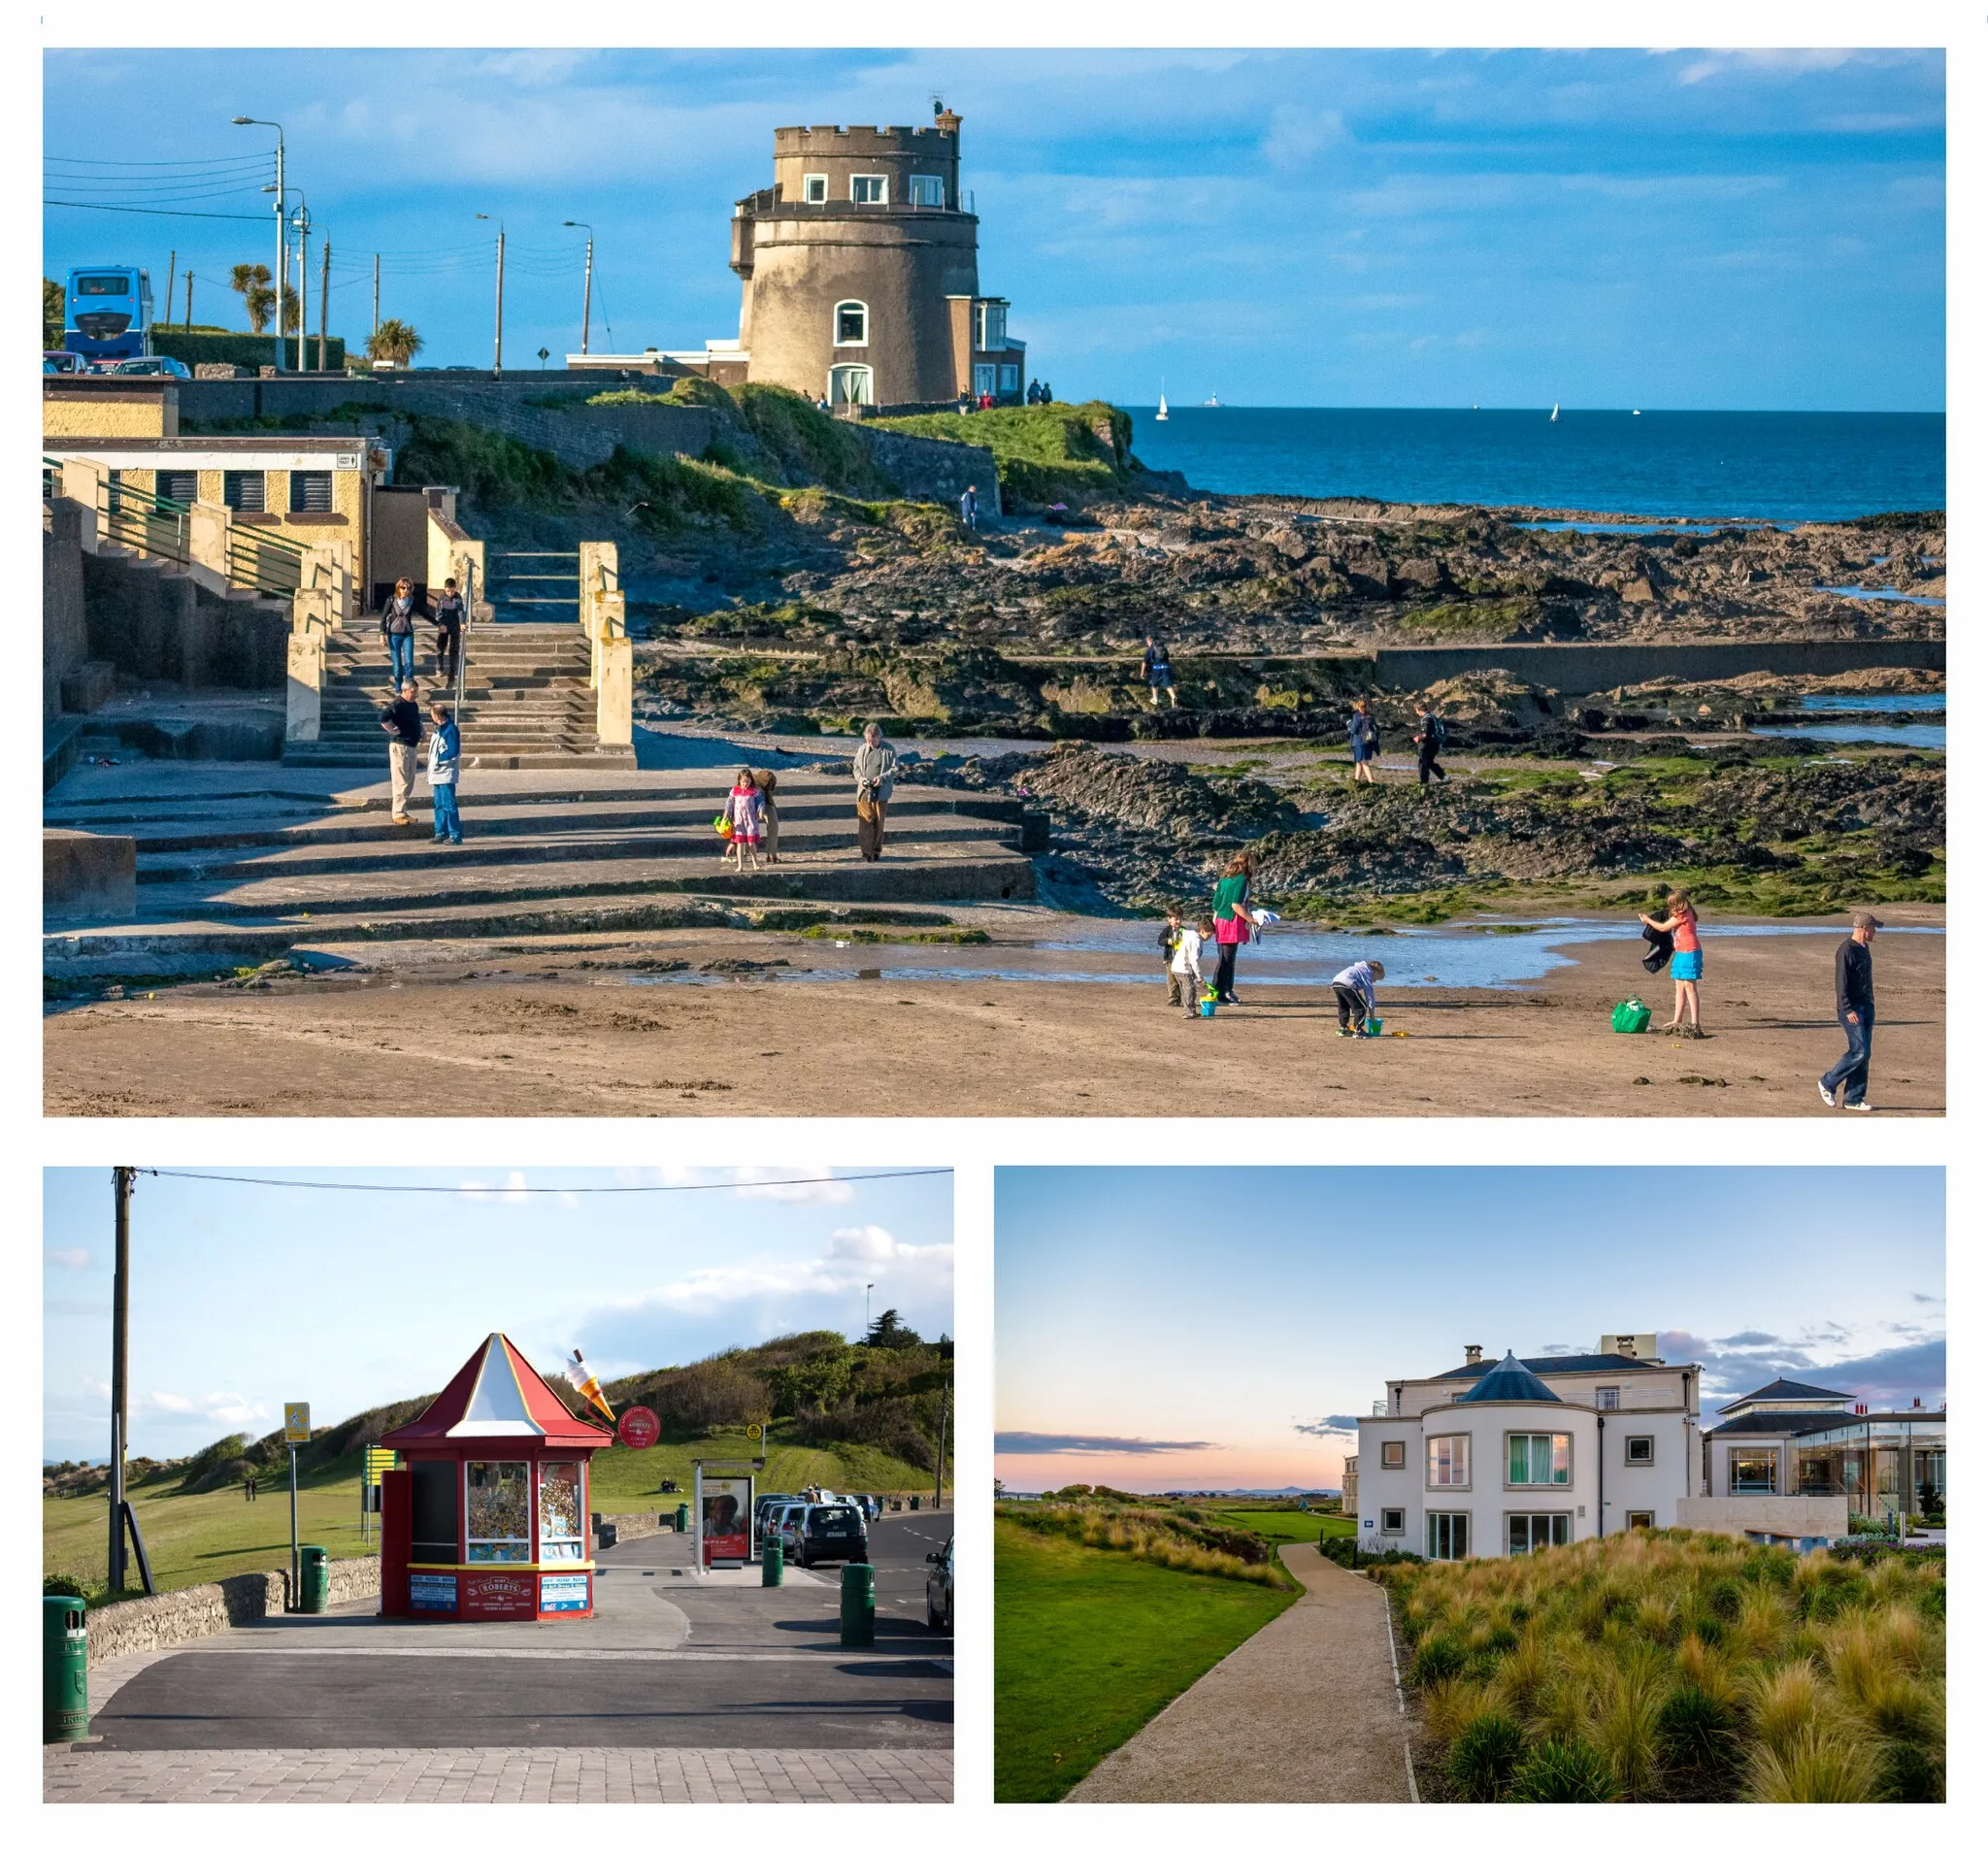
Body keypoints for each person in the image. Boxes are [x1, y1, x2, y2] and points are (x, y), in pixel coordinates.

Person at [1821, 911, 1882, 1111]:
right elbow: (1841, 983)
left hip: (1867, 1006)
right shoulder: (1846, 950)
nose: (1875, 932)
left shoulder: (1864, 948)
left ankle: (1854, 1098)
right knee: (1859, 1051)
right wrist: (1847, 1008)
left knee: (1865, 1054)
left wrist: (1870, 1004)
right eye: (1873, 928)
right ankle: (1828, 1082)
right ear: (1864, 929)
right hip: (1851, 1010)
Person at [1640, 888, 1703, 1036]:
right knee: (1679, 987)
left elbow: (1663, 927)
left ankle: (1695, 1022)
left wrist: (1647, 920)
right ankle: (1677, 1019)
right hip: (1681, 953)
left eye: (1673, 905)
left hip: (1690, 953)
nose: (1672, 908)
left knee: (1690, 987)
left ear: (1681, 904)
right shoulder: (1682, 914)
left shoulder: (1684, 915)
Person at [1209, 853, 1256, 1005]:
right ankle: (1219, 993)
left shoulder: (1223, 880)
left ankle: (1226, 991)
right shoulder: (1241, 881)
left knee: (1225, 959)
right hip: (1231, 921)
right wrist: (1250, 919)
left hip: (1220, 920)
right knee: (1226, 960)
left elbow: (1216, 904)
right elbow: (1235, 905)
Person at [380, 678, 422, 825]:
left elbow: (417, 720)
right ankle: (397, 813)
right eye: (413, 692)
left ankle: (403, 810)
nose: (415, 695)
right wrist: (392, 729)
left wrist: (421, 731)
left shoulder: (413, 705)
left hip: (412, 745)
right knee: (401, 780)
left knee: (409, 780)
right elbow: (383, 717)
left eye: (416, 692)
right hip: (400, 746)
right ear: (405, 690)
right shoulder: (398, 704)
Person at [852, 722, 897, 861]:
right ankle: (866, 852)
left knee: (878, 823)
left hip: (881, 793)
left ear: (879, 737)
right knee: (866, 821)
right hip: (864, 791)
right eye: (868, 740)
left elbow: (894, 769)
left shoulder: (889, 750)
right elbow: (855, 768)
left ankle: (875, 851)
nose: (870, 743)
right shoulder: (862, 749)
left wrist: (882, 778)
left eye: (873, 740)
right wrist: (861, 780)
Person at [426, 697, 463, 844]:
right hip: (436, 773)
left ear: (437, 716)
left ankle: (454, 834)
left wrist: (440, 762)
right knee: (439, 804)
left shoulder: (451, 729)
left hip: (445, 773)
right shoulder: (438, 730)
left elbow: (453, 751)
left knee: (449, 804)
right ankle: (440, 832)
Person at [1172, 914, 1213, 1020]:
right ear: (1202, 931)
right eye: (1210, 935)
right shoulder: (1196, 940)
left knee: (1186, 989)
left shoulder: (1190, 934)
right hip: (1183, 969)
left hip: (1176, 967)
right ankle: (1189, 1012)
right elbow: (1194, 960)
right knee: (1190, 990)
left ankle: (1188, 1010)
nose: (1210, 937)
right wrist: (1199, 977)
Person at [1331, 958, 1387, 1036]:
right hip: (1347, 983)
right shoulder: (1367, 973)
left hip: (1336, 983)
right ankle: (1358, 1030)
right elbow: (1369, 995)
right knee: (1362, 1007)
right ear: (1374, 972)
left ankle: (1343, 1029)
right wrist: (1372, 1015)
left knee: (1344, 1006)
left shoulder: (1359, 968)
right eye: (1376, 979)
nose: (1374, 981)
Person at [381, 576, 419, 687]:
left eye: (408, 588)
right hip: (393, 635)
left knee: (409, 663)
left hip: (408, 635)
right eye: (403, 588)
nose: (405, 590)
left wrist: (438, 624)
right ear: (398, 588)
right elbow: (383, 618)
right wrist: (381, 634)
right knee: (397, 667)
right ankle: (398, 689)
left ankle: (409, 688)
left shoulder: (411, 601)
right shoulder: (391, 600)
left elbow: (423, 613)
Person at [723, 767, 764, 873]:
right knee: (740, 843)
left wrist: (760, 811)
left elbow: (760, 802)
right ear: (739, 781)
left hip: (750, 821)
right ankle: (740, 866)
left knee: (751, 843)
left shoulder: (755, 791)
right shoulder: (734, 791)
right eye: (743, 782)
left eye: (747, 781)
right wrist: (727, 814)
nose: (745, 784)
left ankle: (755, 863)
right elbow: (729, 804)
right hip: (738, 821)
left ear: (751, 780)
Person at [430, 576, 464, 684]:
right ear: (445, 589)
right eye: (448, 591)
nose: (450, 593)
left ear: (455, 589)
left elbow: (460, 611)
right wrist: (440, 624)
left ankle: (452, 674)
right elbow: (439, 613)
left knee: (454, 651)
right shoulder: (442, 598)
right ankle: (439, 667)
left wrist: (462, 623)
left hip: (454, 626)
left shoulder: (457, 598)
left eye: (452, 591)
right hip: (444, 625)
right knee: (440, 648)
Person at [1412, 701, 1447, 787]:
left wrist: (1418, 738)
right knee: (1429, 763)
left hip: (1429, 745)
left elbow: (1425, 734)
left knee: (1423, 763)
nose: (1416, 713)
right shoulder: (1432, 716)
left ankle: (1424, 783)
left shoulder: (1426, 719)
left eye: (1416, 711)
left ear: (1419, 709)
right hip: (1436, 743)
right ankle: (1444, 777)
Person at [1158, 904, 1186, 1008]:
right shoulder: (1167, 930)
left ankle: (1184, 999)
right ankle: (1173, 999)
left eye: (1180, 919)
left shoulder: (1184, 930)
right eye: (1176, 919)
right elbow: (1160, 941)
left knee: (1182, 980)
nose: (1178, 921)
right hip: (1170, 959)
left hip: (1181, 960)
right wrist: (1167, 941)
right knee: (1172, 980)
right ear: (1169, 919)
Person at [751, 766, 781, 863]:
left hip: (763, 804)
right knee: (773, 825)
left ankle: (772, 855)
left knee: (773, 824)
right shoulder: (751, 785)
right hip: (749, 804)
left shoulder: (765, 791)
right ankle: (772, 855)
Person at [1348, 698, 1380, 784]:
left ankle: (1371, 782)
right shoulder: (1370, 716)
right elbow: (1375, 728)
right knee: (1359, 762)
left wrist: (1349, 725)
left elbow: (1353, 730)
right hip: (1368, 741)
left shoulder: (1356, 716)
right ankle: (1356, 781)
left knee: (1363, 762)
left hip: (1359, 741)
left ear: (1358, 706)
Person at [1142, 635, 1177, 709]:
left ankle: (1155, 698)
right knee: (1168, 684)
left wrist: (1142, 672)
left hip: (1156, 669)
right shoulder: (1163, 648)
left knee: (1154, 684)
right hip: (1166, 668)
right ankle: (1173, 696)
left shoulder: (1151, 649)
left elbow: (1144, 662)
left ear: (1149, 641)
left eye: (1147, 642)